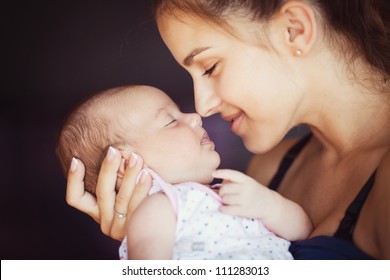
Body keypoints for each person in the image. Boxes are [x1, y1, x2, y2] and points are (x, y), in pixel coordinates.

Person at [65, 0, 390, 259]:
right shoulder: (270, 167)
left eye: (210, 67)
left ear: (294, 30)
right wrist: (154, 235)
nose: (202, 107)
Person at [57, 84, 311, 259]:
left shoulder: (227, 193)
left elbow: (304, 232)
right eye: (170, 121)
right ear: (127, 164)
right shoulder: (158, 209)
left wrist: (271, 206)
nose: (194, 117)